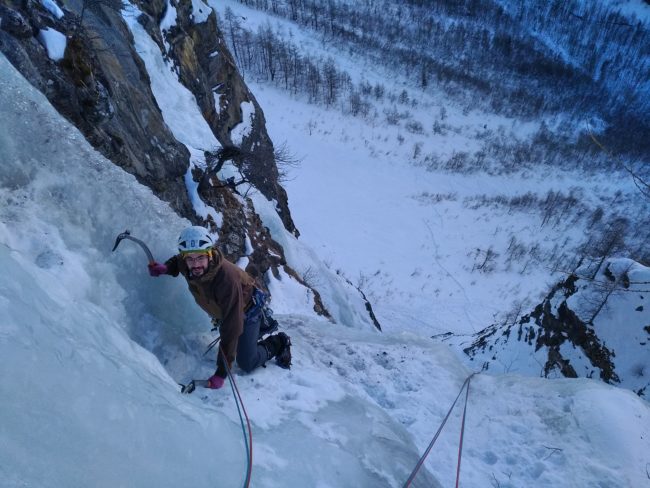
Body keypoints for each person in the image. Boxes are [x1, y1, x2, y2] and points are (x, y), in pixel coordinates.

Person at [148, 225, 291, 389]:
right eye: (190, 259)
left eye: (200, 258)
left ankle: (279, 341)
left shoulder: (226, 280)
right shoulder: (187, 262)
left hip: (247, 311)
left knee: (246, 362)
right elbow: (178, 262)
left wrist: (221, 373)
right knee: (238, 337)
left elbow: (231, 328)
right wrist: (165, 268)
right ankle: (253, 334)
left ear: (210, 255)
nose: (195, 265)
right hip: (227, 310)